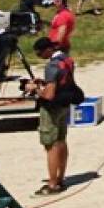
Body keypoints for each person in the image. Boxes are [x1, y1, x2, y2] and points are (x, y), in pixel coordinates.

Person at [30, 37, 73, 196]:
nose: (40, 56)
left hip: (52, 109)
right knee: (61, 141)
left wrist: (35, 89)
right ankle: (60, 178)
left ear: (48, 50)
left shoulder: (51, 66)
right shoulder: (66, 59)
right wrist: (45, 81)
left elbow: (48, 95)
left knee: (50, 145)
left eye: (40, 53)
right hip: (64, 105)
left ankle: (52, 184)